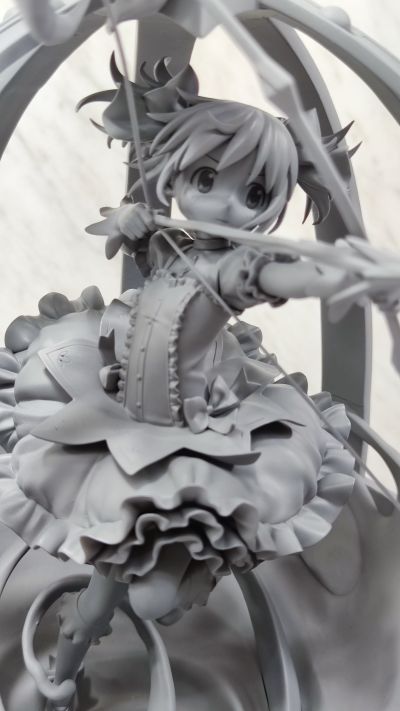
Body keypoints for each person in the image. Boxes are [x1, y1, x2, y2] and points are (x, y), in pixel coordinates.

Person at [0, 61, 355, 697]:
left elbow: (272, 278)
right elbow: (137, 244)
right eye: (206, 179)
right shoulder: (176, 243)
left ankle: (176, 586)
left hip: (186, 441)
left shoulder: (232, 269)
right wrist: (129, 221)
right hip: (117, 410)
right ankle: (72, 652)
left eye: (254, 196)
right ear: (177, 173)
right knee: (99, 578)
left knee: (150, 592)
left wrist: (332, 275)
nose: (226, 205)